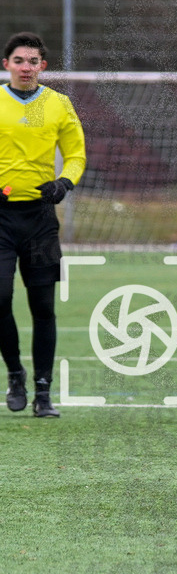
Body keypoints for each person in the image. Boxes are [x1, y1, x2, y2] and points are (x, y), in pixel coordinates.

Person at [1, 32, 86, 418]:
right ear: (7, 65)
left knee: (44, 308)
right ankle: (15, 374)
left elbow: (76, 154)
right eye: (19, 60)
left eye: (32, 61)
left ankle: (43, 393)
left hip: (39, 220)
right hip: (0, 219)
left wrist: (64, 182)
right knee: (0, 300)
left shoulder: (57, 104)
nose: (25, 67)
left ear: (42, 66)